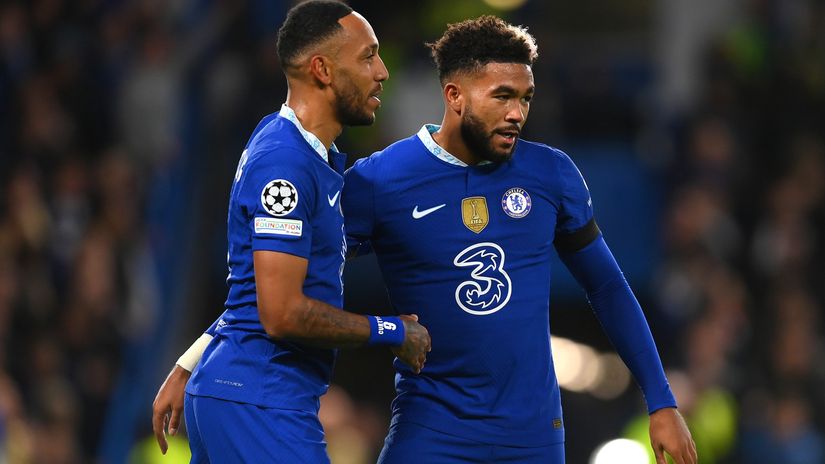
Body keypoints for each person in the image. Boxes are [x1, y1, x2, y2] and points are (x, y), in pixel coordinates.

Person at [155, 14, 697, 464]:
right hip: (430, 435)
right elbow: (282, 278)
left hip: (533, 439)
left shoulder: (552, 176)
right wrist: (196, 355)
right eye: (502, 95)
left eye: (526, 98)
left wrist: (660, 400)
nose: (517, 112)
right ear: (455, 95)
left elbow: (607, 288)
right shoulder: (376, 182)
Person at [151, 1, 431, 462]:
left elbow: (252, 289)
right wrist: (389, 330)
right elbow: (280, 312)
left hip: (245, 393)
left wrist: (190, 361)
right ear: (321, 69)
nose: (382, 71)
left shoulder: (294, 149)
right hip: (258, 399)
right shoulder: (285, 164)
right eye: (367, 56)